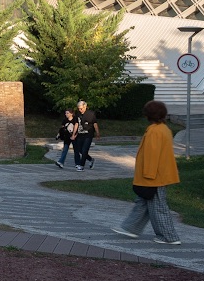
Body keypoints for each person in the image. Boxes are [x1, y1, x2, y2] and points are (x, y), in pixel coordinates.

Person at [113, 100, 182, 245]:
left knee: (158, 207)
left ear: (148, 115)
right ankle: (131, 228)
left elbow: (152, 154)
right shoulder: (164, 129)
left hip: (154, 177)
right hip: (160, 174)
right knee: (143, 202)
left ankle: (169, 237)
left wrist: (148, 175)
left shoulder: (153, 131)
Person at [72, 99, 99, 171]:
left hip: (88, 134)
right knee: (80, 150)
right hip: (80, 134)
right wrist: (73, 134)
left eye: (81, 108)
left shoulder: (91, 114)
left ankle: (81, 165)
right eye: (79, 108)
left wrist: (97, 133)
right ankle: (90, 159)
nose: (80, 110)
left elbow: (95, 123)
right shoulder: (78, 114)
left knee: (85, 150)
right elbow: (76, 124)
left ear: (85, 106)